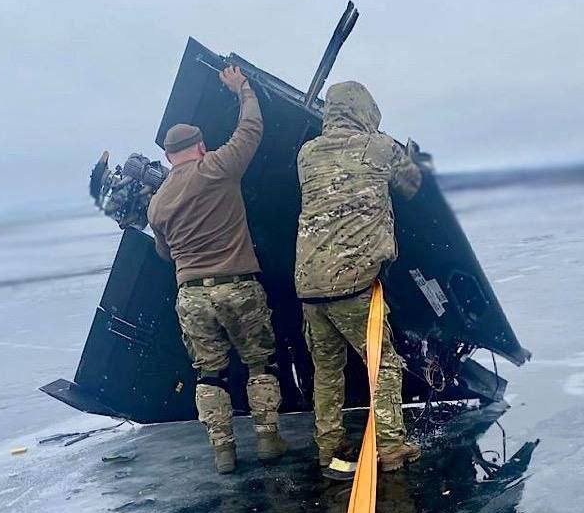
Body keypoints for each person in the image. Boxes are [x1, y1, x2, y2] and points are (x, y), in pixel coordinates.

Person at [147, 65, 286, 475]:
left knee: (209, 375)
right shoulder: (218, 167)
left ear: (168, 157)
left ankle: (223, 452)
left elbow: (164, 254)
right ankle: (267, 439)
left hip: (191, 296)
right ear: (201, 146)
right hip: (238, 288)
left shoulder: (157, 203)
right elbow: (251, 129)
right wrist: (241, 87)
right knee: (259, 364)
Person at [294, 80, 424, 477]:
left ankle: (328, 448)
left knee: (327, 371)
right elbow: (412, 185)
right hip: (354, 283)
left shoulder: (306, 154)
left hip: (310, 286)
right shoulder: (380, 148)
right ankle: (391, 446)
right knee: (383, 364)